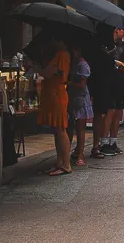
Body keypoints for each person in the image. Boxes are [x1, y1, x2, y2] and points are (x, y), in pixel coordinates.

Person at [36, 39, 71, 176]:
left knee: (60, 129)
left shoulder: (62, 55)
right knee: (57, 129)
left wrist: (37, 68)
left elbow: (49, 73)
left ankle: (66, 164)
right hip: (53, 93)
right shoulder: (59, 54)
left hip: (57, 94)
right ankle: (60, 162)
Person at [100, 28, 124, 156]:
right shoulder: (105, 46)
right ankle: (104, 141)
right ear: (116, 30)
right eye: (123, 30)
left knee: (118, 110)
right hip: (108, 80)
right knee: (110, 110)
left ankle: (113, 141)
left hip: (119, 79)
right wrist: (115, 62)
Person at [67, 44, 93, 166]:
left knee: (80, 128)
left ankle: (80, 154)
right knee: (71, 126)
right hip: (73, 97)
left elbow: (82, 84)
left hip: (80, 98)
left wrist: (69, 83)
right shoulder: (74, 64)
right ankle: (74, 151)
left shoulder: (82, 65)